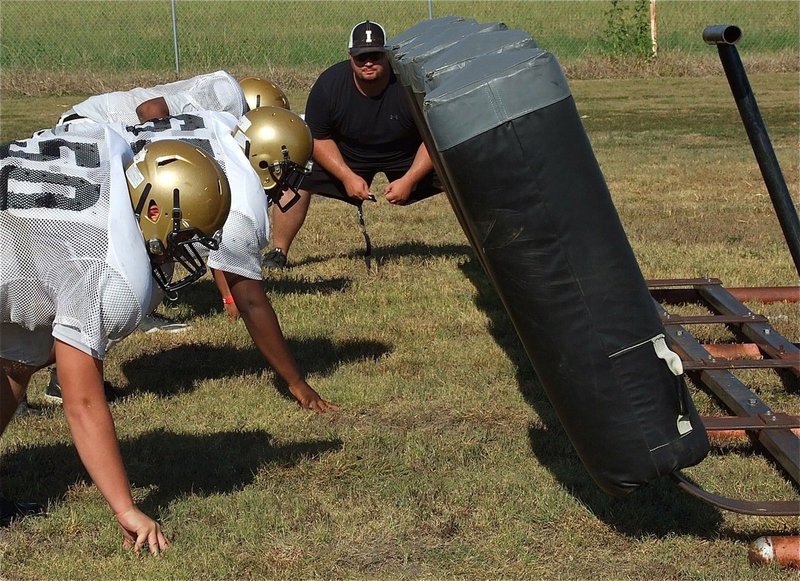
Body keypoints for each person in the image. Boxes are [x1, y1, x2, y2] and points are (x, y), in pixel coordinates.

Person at [0, 125, 231, 551]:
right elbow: (82, 401)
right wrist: (125, 507)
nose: (183, 252)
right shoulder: (107, 265)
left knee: (22, 353)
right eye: (183, 238)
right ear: (156, 212)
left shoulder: (110, 150)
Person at [104, 107, 337, 412]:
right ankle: (63, 367)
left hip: (110, 156)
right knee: (126, 291)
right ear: (264, 160)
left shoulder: (227, 124)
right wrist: (297, 382)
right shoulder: (241, 207)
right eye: (287, 171)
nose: (289, 184)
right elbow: (251, 302)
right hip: (111, 186)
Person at [263, 20, 442, 270]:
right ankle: (278, 252)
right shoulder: (329, 86)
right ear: (350, 57)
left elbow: (433, 136)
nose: (368, 62)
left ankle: (484, 244)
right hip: (348, 154)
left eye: (375, 55)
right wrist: (347, 176)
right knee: (295, 175)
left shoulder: (409, 83)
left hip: (406, 152)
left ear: (387, 56)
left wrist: (410, 179)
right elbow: (317, 138)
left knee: (457, 170)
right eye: (360, 57)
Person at [57, 70, 248, 127]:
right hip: (89, 124)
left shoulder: (227, 92)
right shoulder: (224, 97)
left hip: (93, 122)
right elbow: (149, 110)